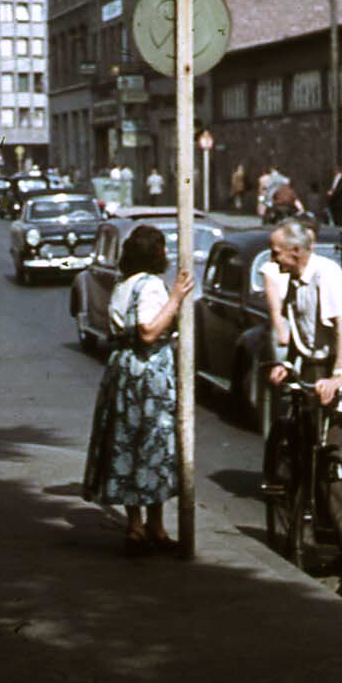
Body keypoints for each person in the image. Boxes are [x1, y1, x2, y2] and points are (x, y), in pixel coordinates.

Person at [261, 216, 342, 583]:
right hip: (314, 370)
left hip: (339, 370)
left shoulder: (327, 275)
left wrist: (338, 377)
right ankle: (327, 547)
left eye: (276, 252)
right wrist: (286, 365)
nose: (273, 259)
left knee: (334, 470)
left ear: (296, 251)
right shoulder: (294, 281)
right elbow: (299, 334)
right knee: (309, 461)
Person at [82, 224, 194, 556]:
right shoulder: (150, 285)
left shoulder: (123, 285)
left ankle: (142, 525)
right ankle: (146, 527)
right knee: (153, 443)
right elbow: (148, 331)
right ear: (156, 254)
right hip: (147, 373)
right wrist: (176, 298)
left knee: (127, 443)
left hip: (123, 370)